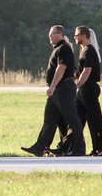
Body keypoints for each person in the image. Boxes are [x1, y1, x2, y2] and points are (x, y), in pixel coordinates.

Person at [22, 25, 86, 157]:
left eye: (52, 35)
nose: (49, 37)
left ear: (60, 34)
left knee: (72, 118)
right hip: (57, 89)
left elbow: (61, 68)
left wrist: (52, 86)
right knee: (50, 119)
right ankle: (40, 147)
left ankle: (79, 148)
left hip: (63, 88)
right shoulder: (57, 49)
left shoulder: (64, 48)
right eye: (49, 35)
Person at [73, 26, 102, 156]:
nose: (75, 37)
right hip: (84, 88)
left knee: (96, 118)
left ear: (85, 35)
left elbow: (87, 71)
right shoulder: (83, 50)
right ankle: (93, 147)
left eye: (77, 35)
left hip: (88, 88)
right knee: (83, 119)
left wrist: (77, 84)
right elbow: (81, 71)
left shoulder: (89, 51)